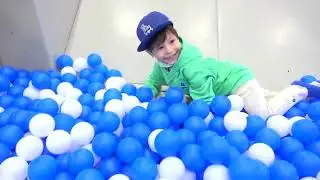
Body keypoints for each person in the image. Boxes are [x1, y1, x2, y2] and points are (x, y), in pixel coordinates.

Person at [135, 11, 308, 119]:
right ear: (152, 54)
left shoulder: (192, 67)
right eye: (160, 47)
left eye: (172, 41)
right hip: (224, 89)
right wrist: (147, 94)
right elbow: (153, 82)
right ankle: (266, 95)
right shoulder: (160, 67)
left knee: (263, 115)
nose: (170, 50)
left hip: (237, 81)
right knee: (253, 103)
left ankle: (299, 90)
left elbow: (205, 101)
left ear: (178, 36)